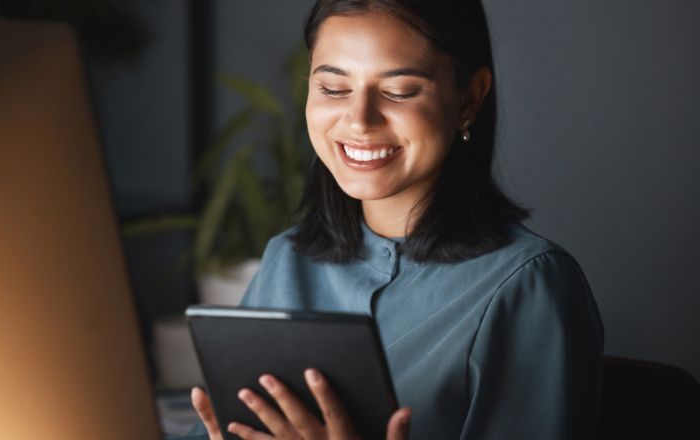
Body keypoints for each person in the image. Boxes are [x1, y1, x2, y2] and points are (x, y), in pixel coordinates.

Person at [184, 0, 604, 439]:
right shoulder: (286, 260)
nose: (359, 120)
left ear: (471, 97)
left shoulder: (527, 286)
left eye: (399, 91)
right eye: (332, 89)